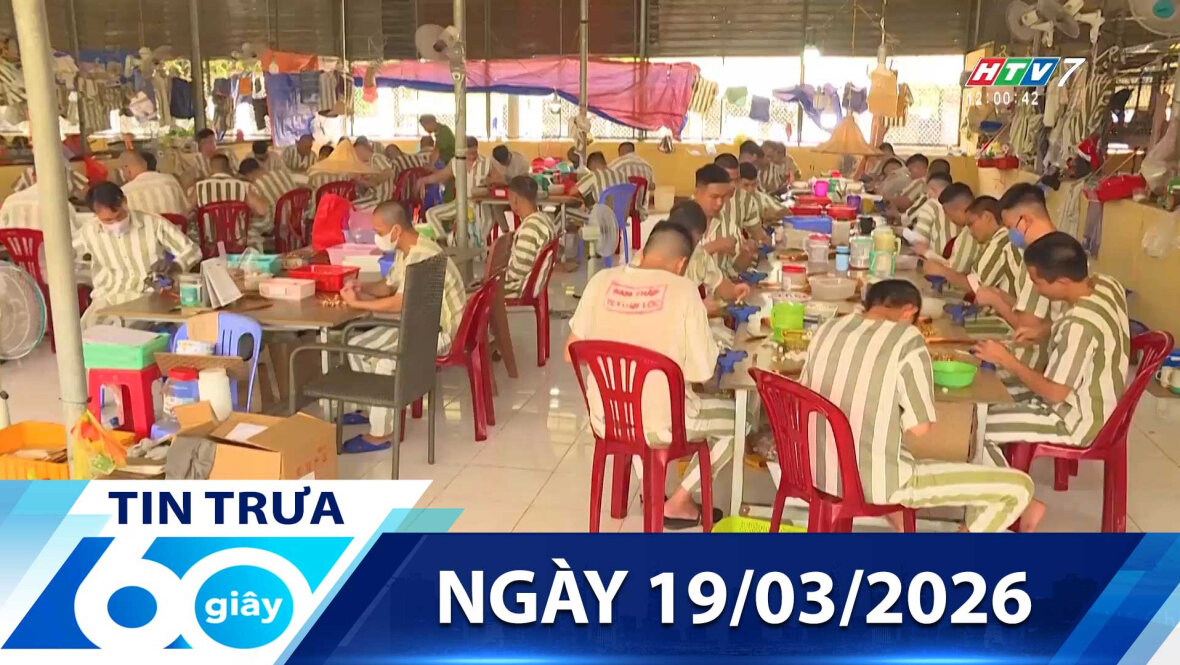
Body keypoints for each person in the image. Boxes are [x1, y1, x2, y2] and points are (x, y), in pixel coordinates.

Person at [802, 279, 1041, 532]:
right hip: (875, 484)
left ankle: (903, 525)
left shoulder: (827, 328)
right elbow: (920, 428)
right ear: (909, 312)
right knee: (1019, 488)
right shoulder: (907, 338)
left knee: (893, 447)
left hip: (815, 471)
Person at [566, 221, 737, 528]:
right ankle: (678, 502)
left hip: (607, 418)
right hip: (662, 426)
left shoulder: (600, 281)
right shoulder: (684, 292)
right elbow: (702, 371)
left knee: (638, 403)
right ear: (682, 264)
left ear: (643, 253)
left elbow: (571, 352)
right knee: (739, 422)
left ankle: (652, 493)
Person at [975, 233, 1129, 480]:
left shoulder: (1078, 326)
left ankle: (1017, 496)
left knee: (977, 428)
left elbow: (1055, 393)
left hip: (1075, 420)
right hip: (1098, 406)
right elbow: (1084, 322)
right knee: (986, 399)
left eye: (1038, 283)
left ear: (1063, 281)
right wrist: (1045, 329)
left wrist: (1006, 360)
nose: (1036, 289)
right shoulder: (1105, 284)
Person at [340, 201, 468, 453]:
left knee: (385, 360)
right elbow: (388, 287)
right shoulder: (406, 251)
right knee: (356, 345)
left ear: (396, 230)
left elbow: (401, 303)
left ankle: (382, 433)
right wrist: (362, 287)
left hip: (442, 333)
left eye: (378, 232)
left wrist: (358, 304)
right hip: (422, 325)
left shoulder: (422, 257)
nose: (376, 238)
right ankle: (372, 410)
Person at [75, 182, 201, 328]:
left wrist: (175, 266)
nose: (116, 223)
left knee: (125, 333)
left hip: (146, 296)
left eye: (119, 216)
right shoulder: (88, 232)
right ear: (96, 215)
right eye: (107, 221)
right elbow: (66, 257)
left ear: (125, 202)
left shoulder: (152, 223)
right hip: (108, 297)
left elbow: (193, 251)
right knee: (83, 334)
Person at [973, 183, 1059, 343]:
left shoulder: (1042, 256)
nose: (1009, 234)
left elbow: (1028, 328)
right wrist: (1001, 296)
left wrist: (995, 301)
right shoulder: (1056, 244)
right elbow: (1037, 312)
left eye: (1010, 227)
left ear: (1025, 220)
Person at [923, 195, 1021, 301]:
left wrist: (942, 272)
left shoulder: (1002, 241)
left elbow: (977, 287)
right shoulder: (997, 241)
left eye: (971, 224)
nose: (970, 231)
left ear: (987, 217)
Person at [420, 136, 500, 241]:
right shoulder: (455, 162)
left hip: (480, 205)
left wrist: (491, 182)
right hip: (460, 203)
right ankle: (443, 240)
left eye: (474, 153)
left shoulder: (487, 162)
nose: (472, 156)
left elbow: (500, 179)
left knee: (485, 225)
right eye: (469, 153)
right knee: (431, 213)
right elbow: (442, 175)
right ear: (463, 151)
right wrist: (423, 180)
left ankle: (479, 246)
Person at [707, 153, 761, 277]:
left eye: (736, 180)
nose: (733, 185)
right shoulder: (691, 213)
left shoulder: (732, 222)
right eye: (728, 180)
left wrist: (747, 253)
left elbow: (735, 268)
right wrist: (714, 246)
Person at [503, 176, 556, 299]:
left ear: (514, 198)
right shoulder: (544, 219)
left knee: (472, 297)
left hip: (518, 289)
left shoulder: (530, 228)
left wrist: (496, 278)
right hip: (532, 285)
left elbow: (517, 272)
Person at [239, 158, 298, 249]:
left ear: (248, 175)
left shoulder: (256, 186)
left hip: (278, 224)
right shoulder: (282, 173)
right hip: (296, 218)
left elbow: (261, 211)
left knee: (246, 228)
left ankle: (258, 254)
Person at [119, 150, 190, 218]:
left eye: (122, 170)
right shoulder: (170, 181)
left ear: (127, 169)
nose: (123, 175)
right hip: (176, 226)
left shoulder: (124, 192)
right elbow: (185, 212)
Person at [905, 171, 953, 254]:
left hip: (932, 256)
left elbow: (919, 242)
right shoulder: (955, 205)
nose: (929, 193)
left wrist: (903, 232)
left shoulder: (931, 205)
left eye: (932, 189)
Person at [938, 182, 979, 273]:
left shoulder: (971, 233)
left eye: (948, 214)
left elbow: (956, 271)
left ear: (962, 209)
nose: (948, 218)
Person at [355, 136, 396, 204]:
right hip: (373, 196)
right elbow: (370, 185)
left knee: (351, 207)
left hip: (380, 198)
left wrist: (374, 181)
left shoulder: (376, 157)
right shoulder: (368, 164)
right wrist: (361, 181)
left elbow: (390, 173)